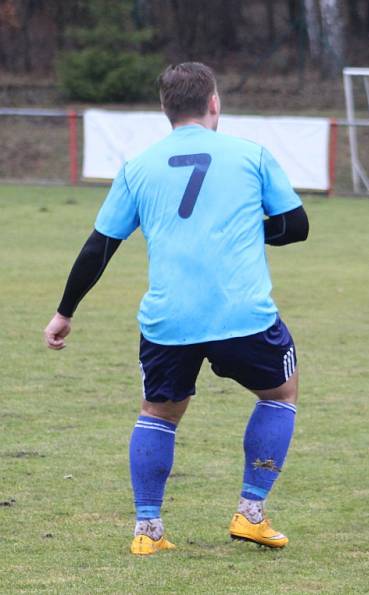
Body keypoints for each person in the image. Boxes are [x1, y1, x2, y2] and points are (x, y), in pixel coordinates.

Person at [43, 62, 309, 555]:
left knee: (159, 415)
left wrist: (65, 312)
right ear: (214, 103)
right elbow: (297, 227)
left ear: (165, 110)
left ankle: (148, 530)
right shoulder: (251, 155)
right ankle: (251, 513)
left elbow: (98, 248)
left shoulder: (138, 167)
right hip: (242, 315)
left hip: (169, 321)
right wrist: (252, 229)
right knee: (279, 395)